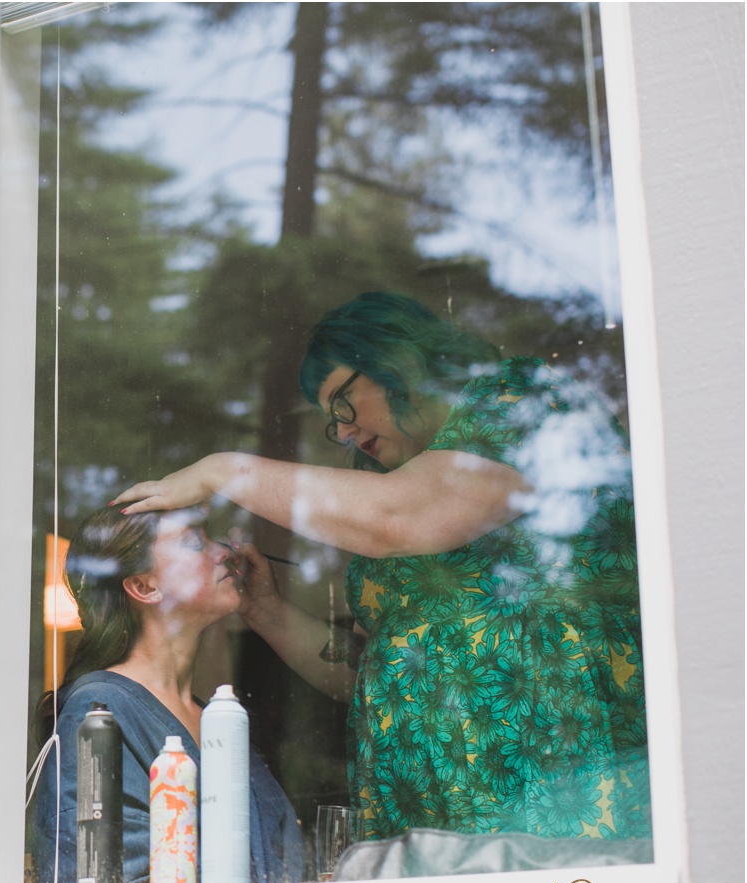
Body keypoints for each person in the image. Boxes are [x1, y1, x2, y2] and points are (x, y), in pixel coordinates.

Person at [112, 291, 649, 843]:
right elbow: (367, 668)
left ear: (395, 359)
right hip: (429, 810)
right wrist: (267, 610)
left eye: (341, 405)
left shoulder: (516, 400)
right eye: (329, 421)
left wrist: (224, 471)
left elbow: (401, 515)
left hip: (554, 770)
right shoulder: (396, 477)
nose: (342, 431)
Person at [29, 505, 307, 883]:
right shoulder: (97, 714)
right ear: (144, 587)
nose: (225, 551)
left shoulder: (217, 719)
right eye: (195, 542)